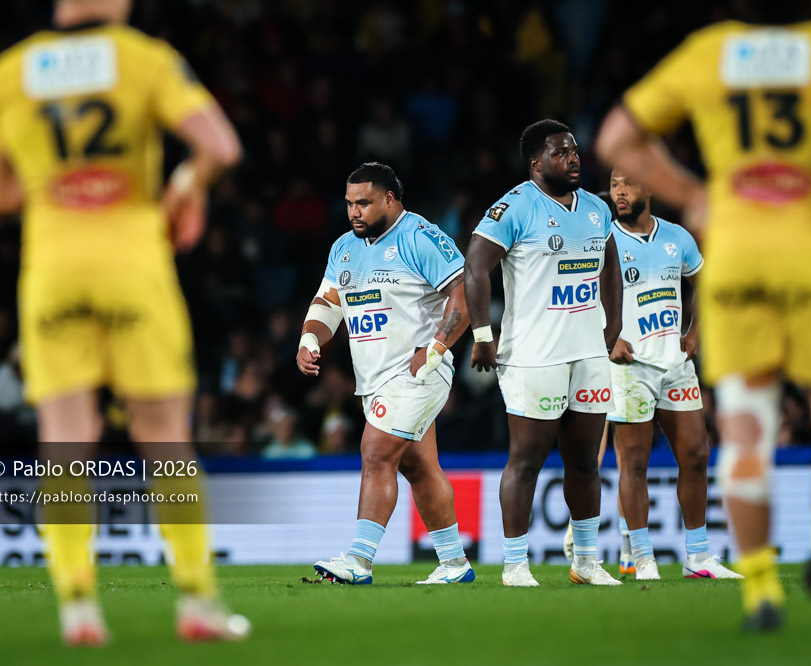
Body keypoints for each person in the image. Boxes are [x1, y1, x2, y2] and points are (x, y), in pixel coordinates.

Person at [0, 0, 245, 645]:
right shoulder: (142, 58)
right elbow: (220, 146)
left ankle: (78, 611)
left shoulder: (5, 73)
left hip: (53, 270)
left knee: (65, 436)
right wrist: (183, 185)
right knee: (165, 436)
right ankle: (198, 604)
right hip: (134, 262)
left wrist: (55, 188)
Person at [596, 14, 811, 630]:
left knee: (744, 430)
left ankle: (758, 589)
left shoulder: (710, 53)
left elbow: (616, 137)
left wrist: (695, 195)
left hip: (733, 258)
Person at [297, 162, 475, 586]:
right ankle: (454, 564)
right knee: (419, 468)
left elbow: (463, 297)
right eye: (349, 204)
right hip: (373, 376)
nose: (354, 212)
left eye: (364, 203)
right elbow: (328, 301)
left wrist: (434, 349)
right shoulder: (344, 247)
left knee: (376, 453)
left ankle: (359, 560)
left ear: (391, 199)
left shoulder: (421, 237)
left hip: (418, 371)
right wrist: (309, 338)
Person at [464, 119, 623, 586]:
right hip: (534, 356)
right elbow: (475, 267)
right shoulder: (513, 207)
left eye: (574, 150)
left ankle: (587, 563)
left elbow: (611, 264)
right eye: (560, 152)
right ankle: (515, 565)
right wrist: (482, 335)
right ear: (536, 163)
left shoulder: (596, 208)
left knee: (584, 462)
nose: (573, 158)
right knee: (527, 460)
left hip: (588, 355)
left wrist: (613, 324)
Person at [605, 167, 739, 580]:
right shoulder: (605, 241)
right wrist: (610, 337)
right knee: (635, 463)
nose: (619, 192)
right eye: (613, 185)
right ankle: (641, 557)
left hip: (676, 364)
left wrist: (695, 330)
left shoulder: (678, 237)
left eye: (627, 183)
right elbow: (584, 293)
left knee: (696, 455)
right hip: (630, 368)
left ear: (651, 186)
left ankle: (698, 557)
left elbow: (703, 281)